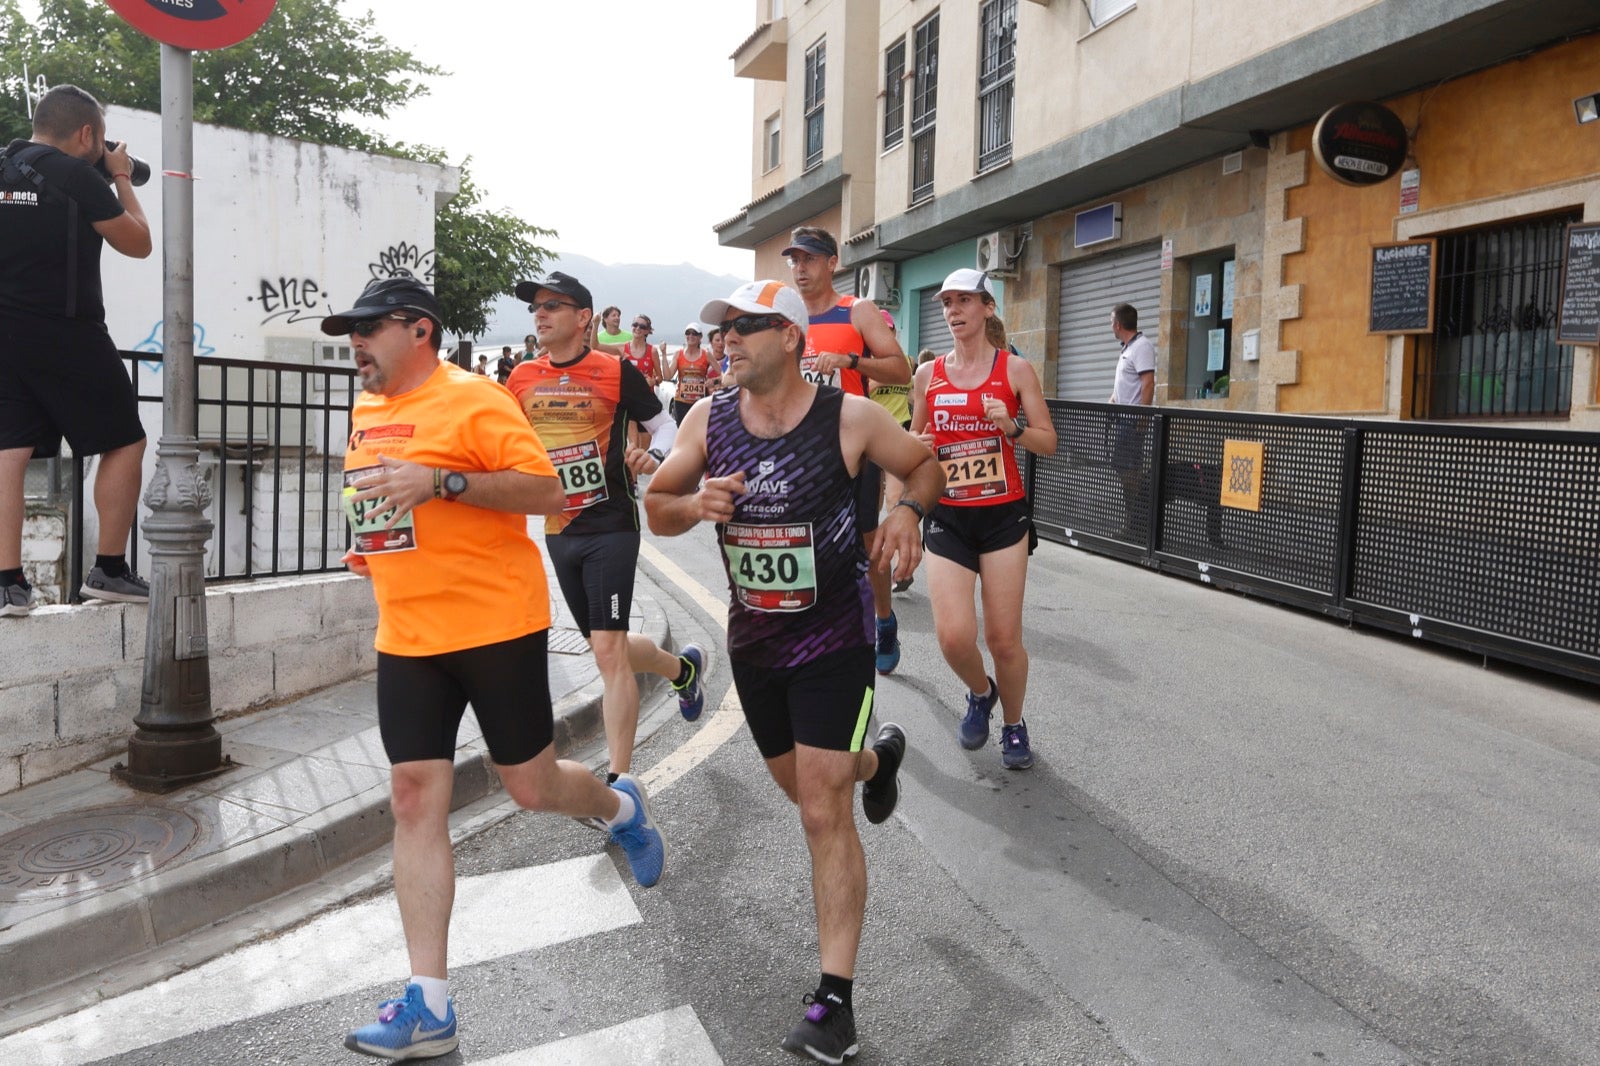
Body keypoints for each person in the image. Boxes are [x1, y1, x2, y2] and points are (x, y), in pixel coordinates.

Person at [325, 276, 666, 1060]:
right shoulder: (367, 408)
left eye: (368, 329)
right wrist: (368, 541)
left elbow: (548, 489)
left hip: (494, 625)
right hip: (407, 635)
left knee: (530, 785)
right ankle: (431, 1006)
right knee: (413, 797)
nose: (355, 343)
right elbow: (377, 496)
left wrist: (443, 481)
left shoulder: (475, 398)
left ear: (419, 330)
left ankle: (620, 810)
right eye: (351, 330)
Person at [645, 279, 942, 1064]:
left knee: (820, 810)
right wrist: (694, 503)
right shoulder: (708, 420)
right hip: (757, 644)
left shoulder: (849, 417)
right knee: (815, 786)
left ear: (793, 339)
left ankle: (834, 1003)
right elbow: (657, 506)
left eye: (744, 329)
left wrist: (909, 513)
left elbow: (925, 466)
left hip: (835, 640)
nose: (727, 342)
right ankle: (878, 763)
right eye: (722, 331)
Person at [506, 272, 706, 796]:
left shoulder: (614, 372)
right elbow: (502, 443)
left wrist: (655, 456)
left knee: (610, 655)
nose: (540, 314)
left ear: (583, 317)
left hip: (612, 524)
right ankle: (681, 671)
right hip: (559, 529)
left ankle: (621, 783)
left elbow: (665, 425)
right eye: (536, 307)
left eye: (553, 305)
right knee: (604, 645)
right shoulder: (522, 378)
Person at [0, 86, 153, 615]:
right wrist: (119, 175)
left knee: (9, 451)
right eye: (101, 139)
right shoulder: (75, 175)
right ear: (87, 134)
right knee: (127, 439)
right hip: (67, 330)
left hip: (5, 333)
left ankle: (7, 585)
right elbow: (137, 241)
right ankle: (109, 569)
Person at [911, 269, 1057, 771]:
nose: (953, 311)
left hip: (1001, 519)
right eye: (947, 302)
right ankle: (981, 692)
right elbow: (914, 445)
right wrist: (919, 448)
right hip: (948, 516)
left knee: (1002, 639)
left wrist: (1011, 428)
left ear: (987, 308)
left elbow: (1048, 441)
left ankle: (1014, 725)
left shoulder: (1015, 371)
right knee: (953, 637)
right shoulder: (927, 377)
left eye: (964, 301)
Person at [783, 226, 912, 675]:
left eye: (809, 259)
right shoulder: (786, 319)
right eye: (794, 261)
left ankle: (883, 618)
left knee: (868, 544)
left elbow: (902, 369)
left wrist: (851, 361)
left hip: (853, 452)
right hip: (798, 457)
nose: (800, 269)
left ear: (831, 261)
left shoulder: (856, 311)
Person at [1109, 301, 1156, 539]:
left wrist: (1142, 419)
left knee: (1131, 473)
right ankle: (1133, 522)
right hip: (1123, 419)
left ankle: (1136, 525)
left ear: (1118, 324)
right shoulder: (1127, 347)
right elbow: (1127, 384)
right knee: (1123, 469)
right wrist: (1114, 399)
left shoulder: (1141, 346)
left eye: (1111, 321)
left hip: (1132, 421)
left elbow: (1148, 383)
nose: (1111, 326)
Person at [664, 322, 720, 424]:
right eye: (688, 333)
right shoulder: (678, 354)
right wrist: (663, 355)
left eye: (694, 333)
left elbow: (723, 375)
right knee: (683, 431)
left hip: (700, 402)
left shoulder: (706, 354)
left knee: (699, 432)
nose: (691, 336)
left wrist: (713, 382)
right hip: (681, 402)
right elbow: (668, 376)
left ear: (700, 337)